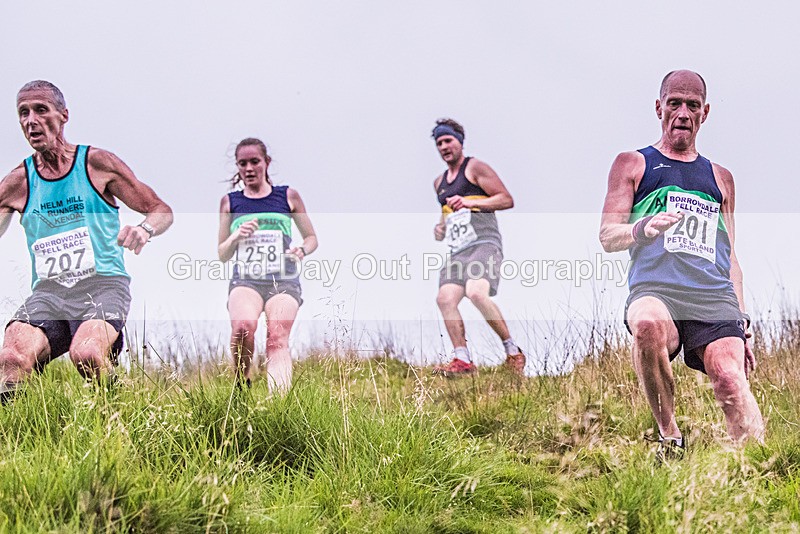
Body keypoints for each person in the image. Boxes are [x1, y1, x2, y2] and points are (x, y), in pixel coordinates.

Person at [599, 70, 765, 452]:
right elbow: (608, 236)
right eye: (674, 103)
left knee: (728, 377)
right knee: (646, 323)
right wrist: (644, 228)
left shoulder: (721, 178)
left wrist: (742, 317)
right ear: (660, 108)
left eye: (692, 105)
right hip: (657, 288)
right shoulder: (633, 163)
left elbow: (731, 256)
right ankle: (671, 439)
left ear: (705, 113)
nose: (683, 113)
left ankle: (756, 466)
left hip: (712, 294)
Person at [0, 80, 173, 399]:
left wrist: (143, 229)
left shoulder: (95, 165)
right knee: (12, 357)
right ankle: (18, 434)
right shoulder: (19, 181)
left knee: (88, 355)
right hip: (50, 293)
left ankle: (122, 406)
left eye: (41, 110)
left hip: (103, 285)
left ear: (63, 115)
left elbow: (160, 210)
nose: (31, 121)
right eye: (23, 113)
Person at [218, 138, 317, 392]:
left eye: (254, 162)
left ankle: (279, 405)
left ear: (266, 163)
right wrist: (236, 236)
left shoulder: (287, 196)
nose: (249, 168)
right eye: (243, 163)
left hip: (283, 279)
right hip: (246, 280)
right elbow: (222, 253)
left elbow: (311, 238)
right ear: (238, 167)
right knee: (242, 328)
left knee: (277, 336)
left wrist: (301, 250)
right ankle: (241, 383)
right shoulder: (230, 202)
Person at [430, 118, 525, 377]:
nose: (444, 147)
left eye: (448, 140)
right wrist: (440, 229)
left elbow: (506, 199)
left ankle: (513, 350)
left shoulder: (475, 168)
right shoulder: (439, 182)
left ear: (460, 142)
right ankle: (462, 360)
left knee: (476, 293)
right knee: (444, 298)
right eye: (439, 143)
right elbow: (448, 213)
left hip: (484, 242)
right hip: (458, 249)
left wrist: (472, 204)